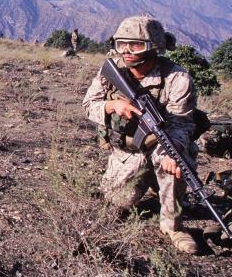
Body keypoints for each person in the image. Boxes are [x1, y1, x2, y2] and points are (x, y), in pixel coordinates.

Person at [82, 16, 199, 254]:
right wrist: (111, 105)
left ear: (153, 47)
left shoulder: (177, 78)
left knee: (174, 161)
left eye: (135, 45)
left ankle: (173, 225)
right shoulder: (111, 70)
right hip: (127, 152)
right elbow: (88, 105)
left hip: (160, 143)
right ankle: (151, 182)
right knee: (118, 203)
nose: (126, 51)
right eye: (121, 44)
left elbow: (182, 124)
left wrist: (171, 151)